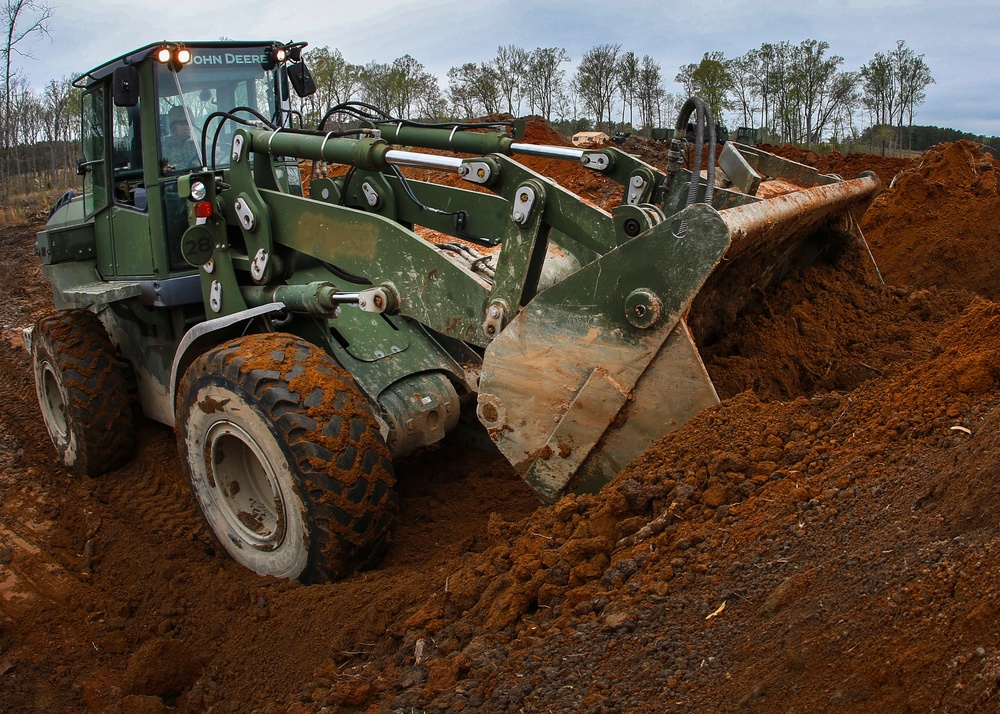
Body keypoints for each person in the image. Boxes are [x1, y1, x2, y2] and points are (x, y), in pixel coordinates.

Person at [162, 105, 200, 173]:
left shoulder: (196, 146)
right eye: (182, 124)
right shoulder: (163, 148)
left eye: (188, 124)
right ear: (173, 127)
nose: (186, 128)